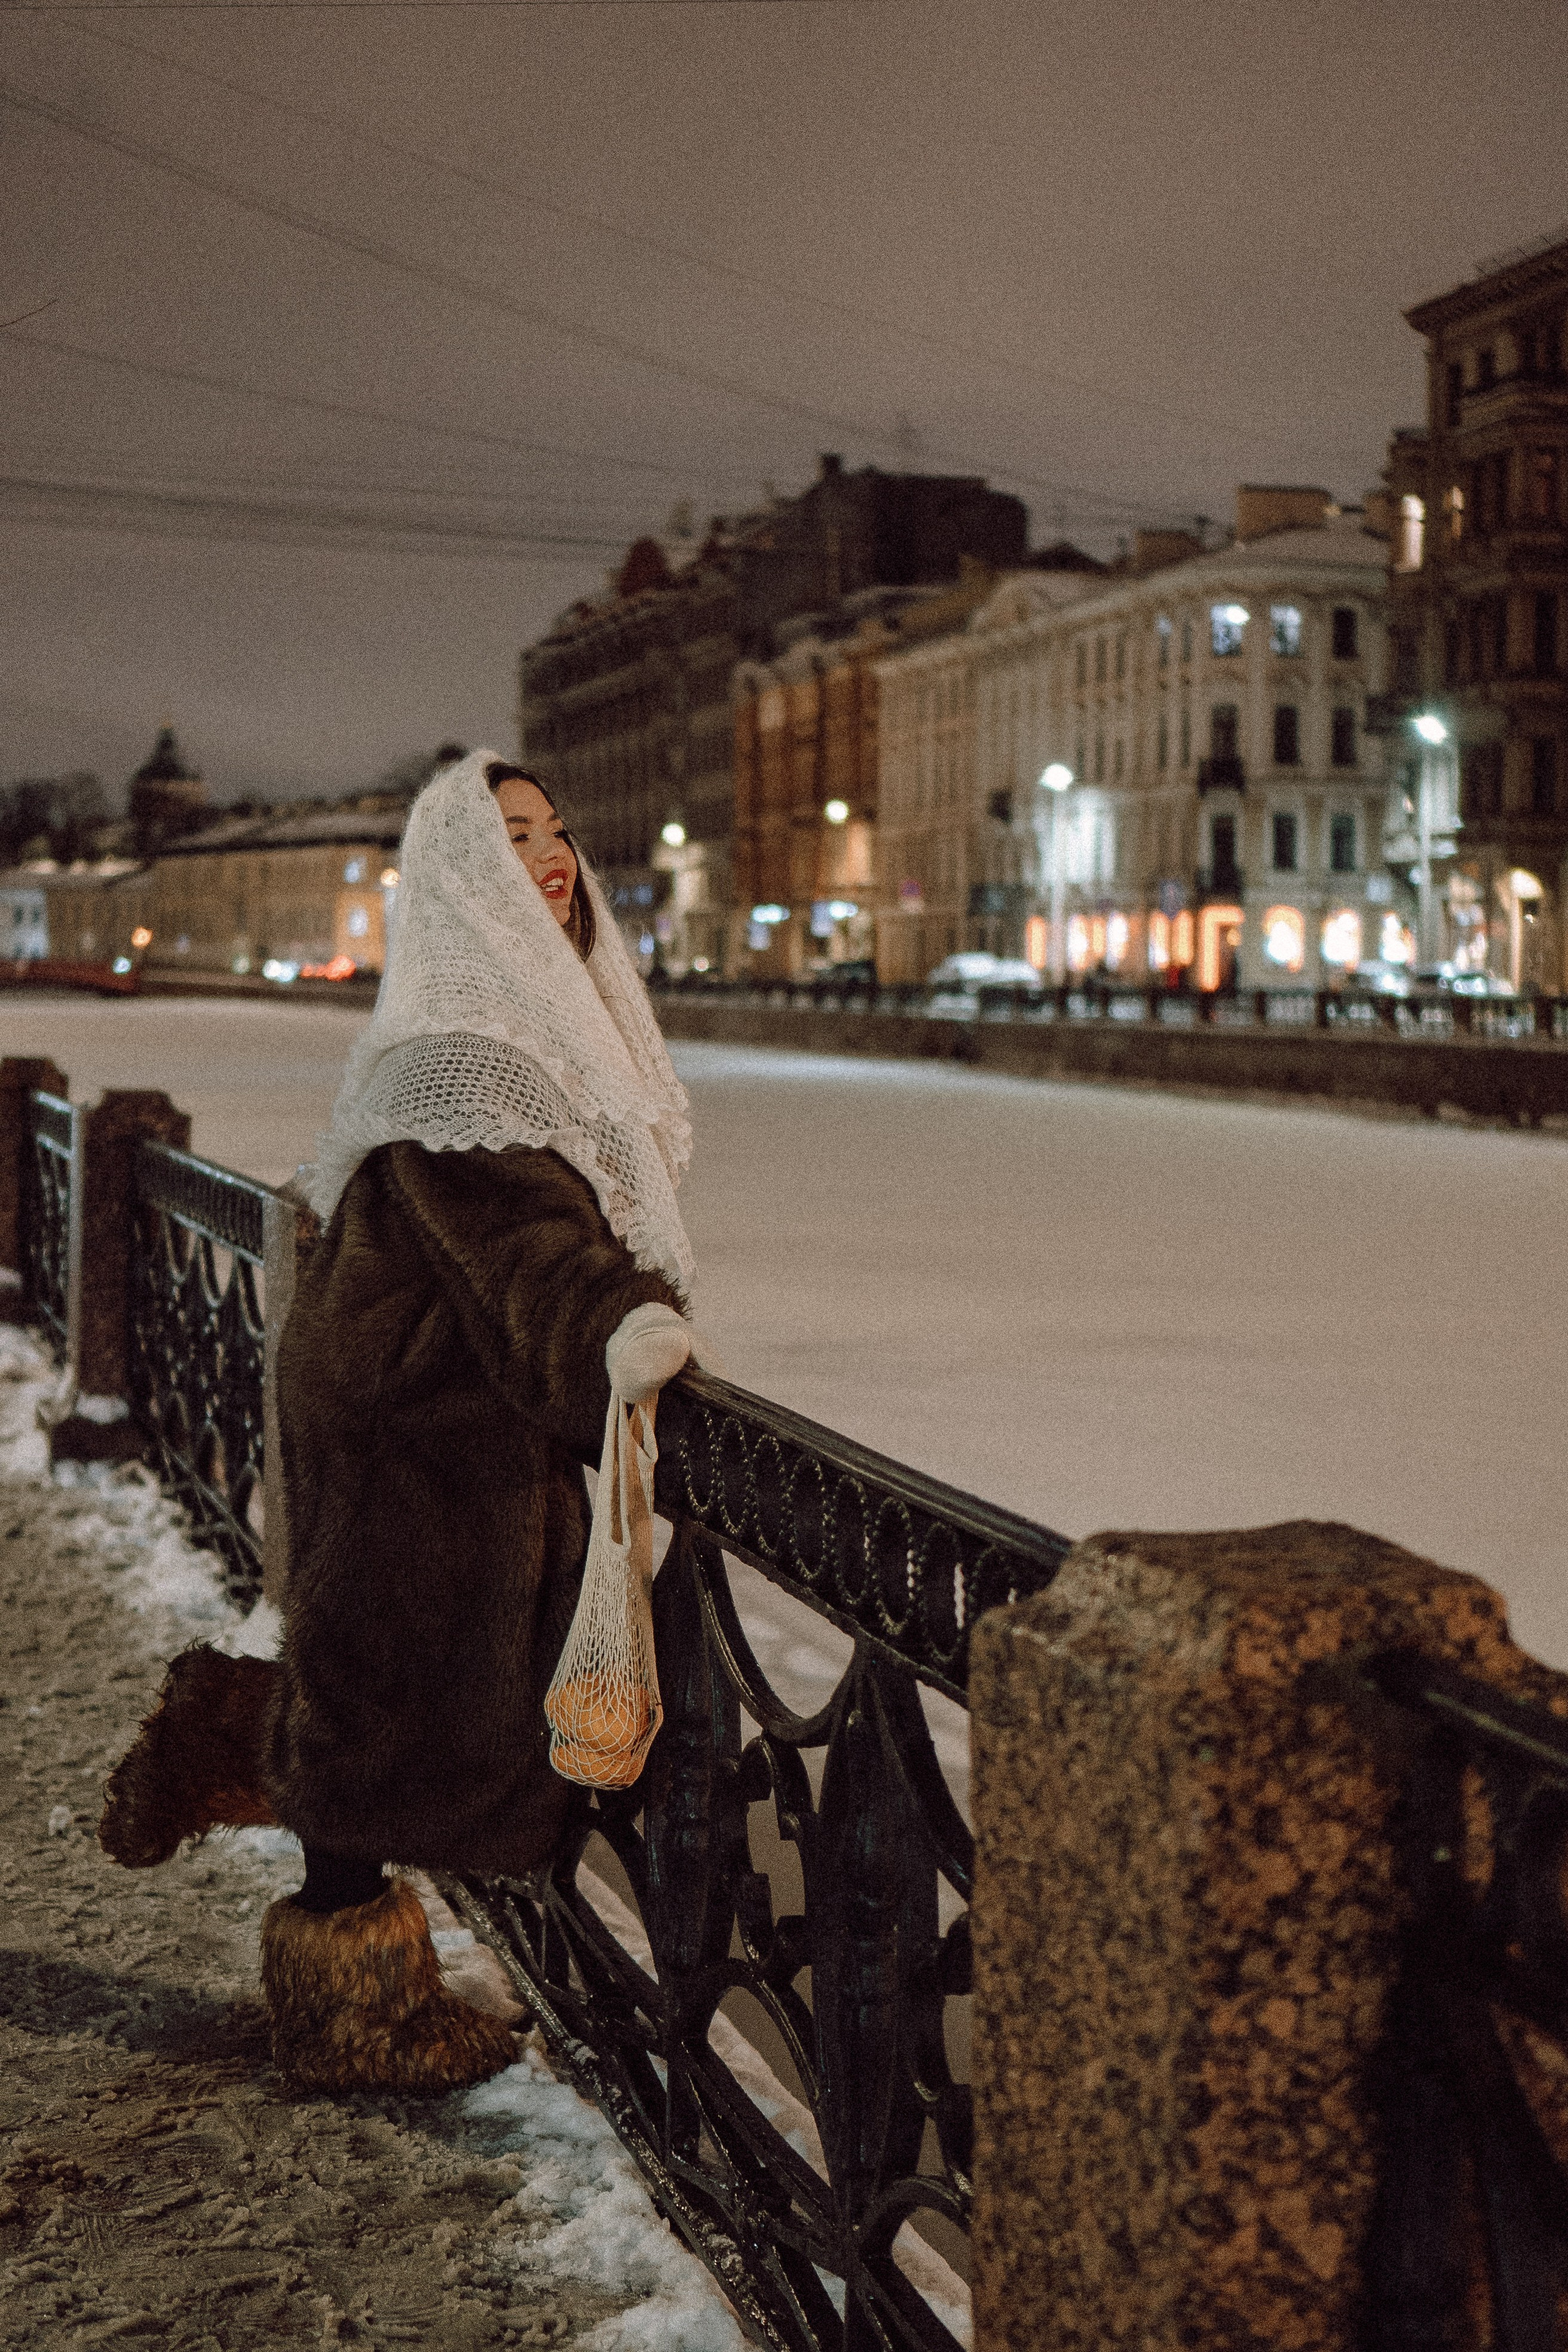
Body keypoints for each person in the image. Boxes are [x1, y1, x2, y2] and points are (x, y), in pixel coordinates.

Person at [100, 750, 699, 2095]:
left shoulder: (524, 1029)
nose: (547, 858)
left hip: (417, 1398)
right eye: (509, 841)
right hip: (406, 1425)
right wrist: (612, 1326)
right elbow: (526, 1251)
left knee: (384, 1688)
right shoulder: (463, 1059)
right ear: (460, 883)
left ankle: (223, 1734)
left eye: (553, 831)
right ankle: (355, 2015)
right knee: (380, 1709)